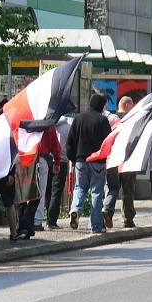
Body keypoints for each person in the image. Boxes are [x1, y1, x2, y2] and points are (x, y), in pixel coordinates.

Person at [65, 93, 112, 233]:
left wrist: (73, 159)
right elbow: (108, 142)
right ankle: (95, 226)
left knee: (80, 188)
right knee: (96, 192)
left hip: (80, 161)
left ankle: (75, 209)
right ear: (101, 105)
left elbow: (70, 142)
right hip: (97, 162)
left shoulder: (78, 119)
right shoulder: (103, 121)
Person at [15, 126, 60, 238]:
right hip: (42, 159)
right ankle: (36, 221)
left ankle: (22, 222)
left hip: (25, 158)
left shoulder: (26, 122)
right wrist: (57, 161)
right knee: (40, 191)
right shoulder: (48, 125)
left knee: (24, 190)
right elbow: (55, 144)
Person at [103, 95, 137, 228]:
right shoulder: (133, 119)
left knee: (110, 188)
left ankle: (107, 214)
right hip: (128, 160)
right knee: (128, 190)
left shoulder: (111, 119)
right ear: (128, 105)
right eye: (132, 105)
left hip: (112, 160)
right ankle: (128, 219)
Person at [46, 114, 74, 229]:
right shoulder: (68, 127)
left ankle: (46, 216)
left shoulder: (48, 126)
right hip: (61, 161)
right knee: (56, 192)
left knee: (47, 190)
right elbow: (71, 145)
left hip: (47, 160)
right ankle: (52, 221)